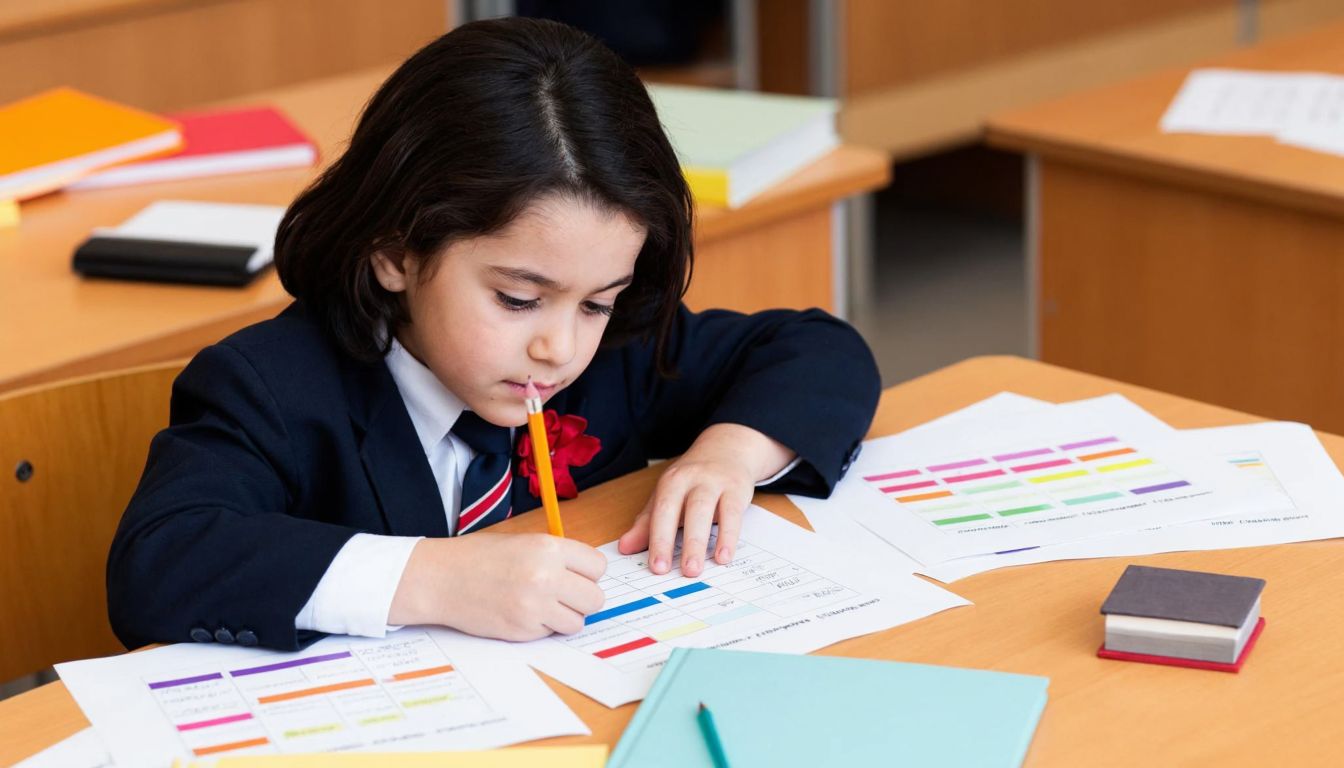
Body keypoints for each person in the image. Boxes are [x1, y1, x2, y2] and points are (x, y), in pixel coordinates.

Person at [107, 17, 879, 652]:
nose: (560, 348)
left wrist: (729, 453)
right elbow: (160, 562)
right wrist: (435, 579)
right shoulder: (272, 388)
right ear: (394, 252)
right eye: (517, 299)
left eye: (598, 302)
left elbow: (817, 351)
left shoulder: (611, 357)